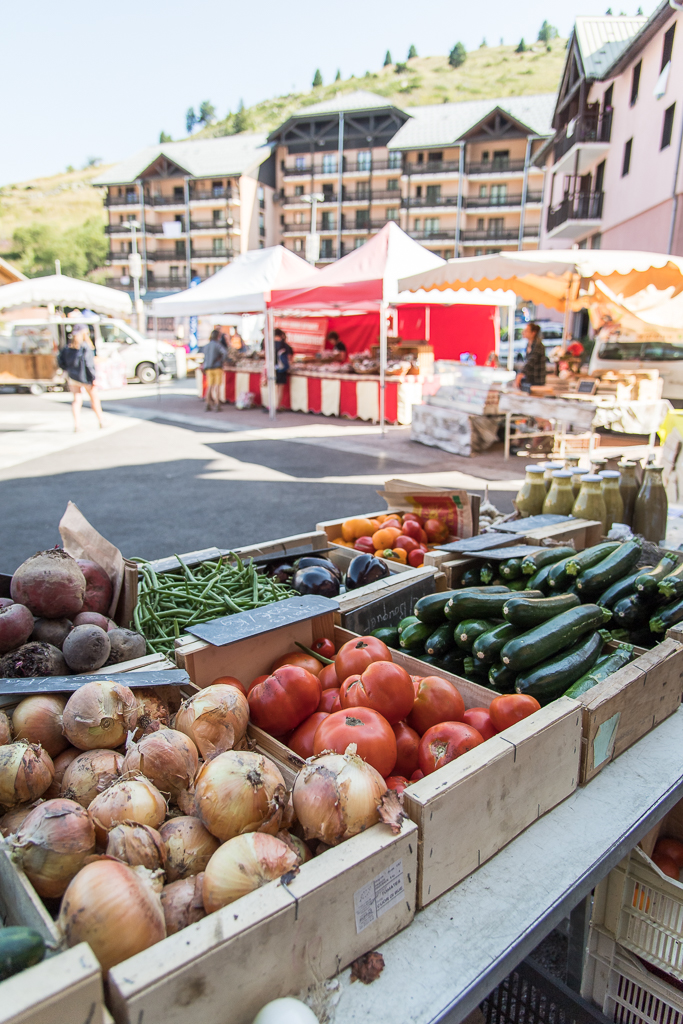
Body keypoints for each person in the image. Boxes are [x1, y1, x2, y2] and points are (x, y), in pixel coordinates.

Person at [57, 325, 104, 432]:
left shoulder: (68, 347)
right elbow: (89, 364)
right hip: (85, 377)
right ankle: (101, 420)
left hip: (73, 377)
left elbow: (60, 360)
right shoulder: (85, 347)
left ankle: (77, 425)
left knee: (77, 400)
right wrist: (93, 377)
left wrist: (67, 369)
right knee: (94, 399)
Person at [202, 329, 228, 411]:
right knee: (217, 386)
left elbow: (204, 357)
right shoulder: (218, 345)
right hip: (217, 367)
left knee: (210, 386)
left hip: (208, 368)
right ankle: (217, 404)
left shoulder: (206, 346)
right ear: (218, 336)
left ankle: (207, 403)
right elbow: (225, 353)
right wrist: (221, 360)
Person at [515, 322, 547, 389]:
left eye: (526, 331)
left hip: (537, 381)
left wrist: (521, 374)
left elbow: (531, 361)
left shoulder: (538, 345)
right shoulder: (528, 344)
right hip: (530, 380)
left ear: (533, 333)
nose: (523, 332)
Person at [273, 328, 293, 409]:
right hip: (281, 368)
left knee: (275, 387)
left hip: (274, 368)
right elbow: (290, 357)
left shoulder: (271, 344)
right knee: (280, 387)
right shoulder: (284, 345)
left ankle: (274, 405)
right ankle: (278, 405)